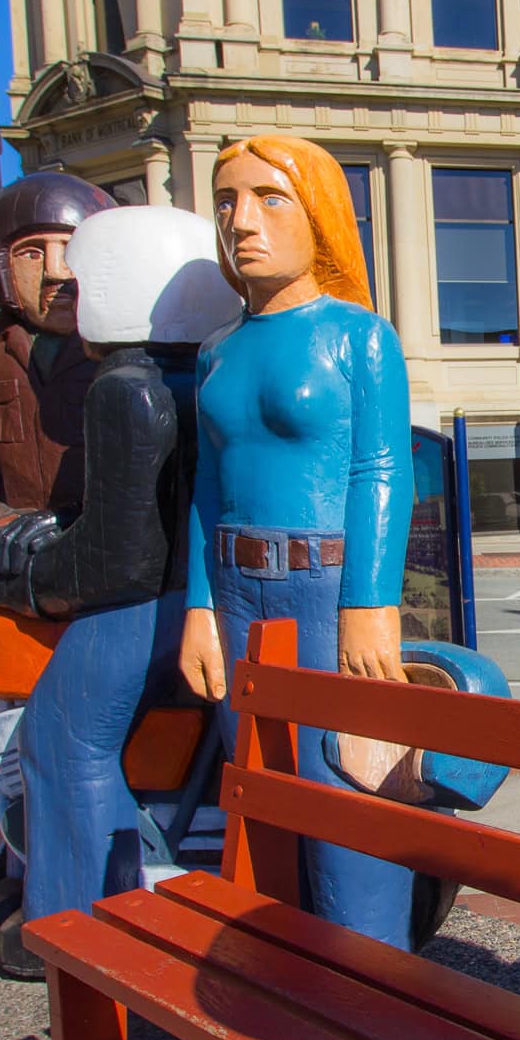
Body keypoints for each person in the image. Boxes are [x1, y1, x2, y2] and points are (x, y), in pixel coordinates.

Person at [0, 206, 241, 978]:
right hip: (199, 594)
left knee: (60, 739)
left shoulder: (124, 387)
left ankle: (76, 923)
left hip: (137, 606)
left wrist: (19, 576)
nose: (68, 285)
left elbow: (114, 553)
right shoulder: (208, 369)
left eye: (85, 272)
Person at [177, 134, 418, 950]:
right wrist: (199, 606)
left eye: (268, 198)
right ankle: (275, 991)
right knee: (260, 798)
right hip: (237, 593)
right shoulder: (216, 350)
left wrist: (370, 602)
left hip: (325, 591)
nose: (242, 221)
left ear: (317, 215)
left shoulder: (361, 337)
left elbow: (382, 469)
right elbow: (206, 488)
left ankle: (367, 994)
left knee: (348, 796)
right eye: (226, 202)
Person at [0, 172, 118, 514]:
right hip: (17, 541)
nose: (56, 272)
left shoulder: (120, 349)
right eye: (31, 254)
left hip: (98, 543)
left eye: (72, 249)